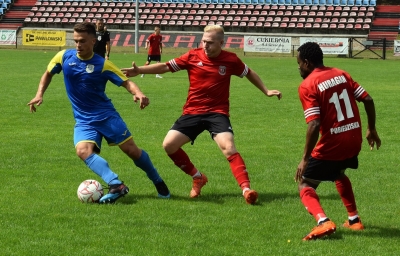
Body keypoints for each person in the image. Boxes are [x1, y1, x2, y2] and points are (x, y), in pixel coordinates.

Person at [122, 25, 282, 204]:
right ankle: (198, 177)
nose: (205, 45)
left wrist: (266, 90)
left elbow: (249, 72)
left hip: (217, 113)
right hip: (192, 112)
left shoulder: (230, 59)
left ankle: (246, 189)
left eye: (210, 42)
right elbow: (166, 67)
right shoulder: (192, 56)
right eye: (204, 41)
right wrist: (140, 71)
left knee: (228, 147)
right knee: (169, 145)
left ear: (222, 43)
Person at [27, 22, 170, 204]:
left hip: (106, 116)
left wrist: (139, 93)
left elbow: (126, 82)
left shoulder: (103, 64)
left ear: (93, 41)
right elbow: (48, 73)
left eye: (83, 41)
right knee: (82, 151)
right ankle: (115, 184)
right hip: (83, 120)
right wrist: (39, 94)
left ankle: (158, 182)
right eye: (76, 40)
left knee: (132, 151)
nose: (78, 45)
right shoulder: (63, 57)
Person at [295, 42, 381, 241]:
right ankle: (354, 220)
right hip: (353, 139)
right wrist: (372, 129)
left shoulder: (308, 85)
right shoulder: (341, 73)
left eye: (299, 63)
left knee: (305, 183)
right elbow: (367, 99)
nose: (298, 67)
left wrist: (305, 158)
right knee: (338, 173)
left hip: (333, 143)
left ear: (307, 63)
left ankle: (323, 221)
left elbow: (314, 124)